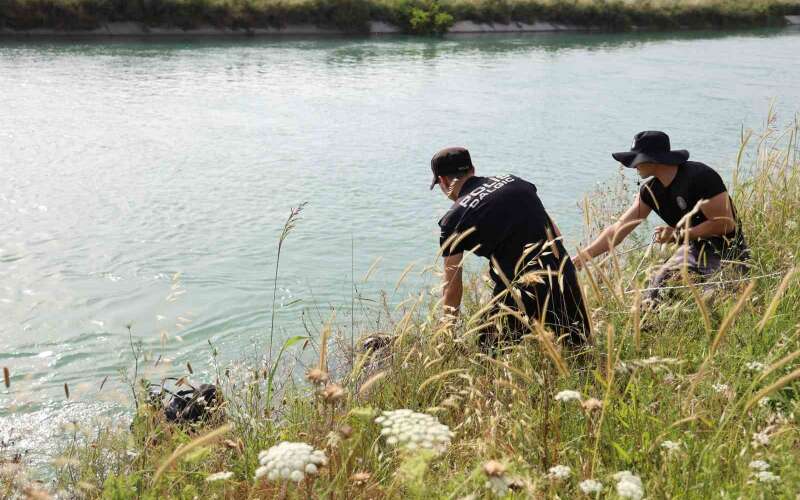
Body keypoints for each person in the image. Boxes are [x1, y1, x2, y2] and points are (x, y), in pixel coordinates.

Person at [431, 147, 590, 347]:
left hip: (519, 291)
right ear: (472, 169)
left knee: (488, 358)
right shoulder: (516, 182)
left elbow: (452, 286)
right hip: (562, 273)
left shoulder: (452, 219)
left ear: (443, 181)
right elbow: (556, 235)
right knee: (581, 352)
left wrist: (447, 333)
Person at [573, 131, 749, 304]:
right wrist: (582, 258)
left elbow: (725, 224)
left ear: (653, 159)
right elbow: (618, 230)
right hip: (693, 250)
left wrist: (678, 235)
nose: (634, 166)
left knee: (716, 300)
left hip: (728, 251)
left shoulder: (700, 176)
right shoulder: (650, 192)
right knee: (655, 291)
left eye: (637, 160)